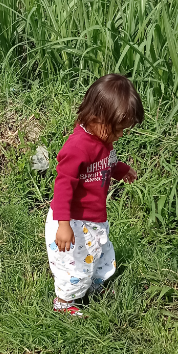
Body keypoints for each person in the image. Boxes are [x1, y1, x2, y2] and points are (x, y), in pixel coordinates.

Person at [46, 74, 144, 316]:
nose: (119, 136)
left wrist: (122, 170)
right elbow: (63, 186)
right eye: (117, 130)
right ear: (96, 117)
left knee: (100, 255)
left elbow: (106, 162)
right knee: (74, 266)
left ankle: (94, 286)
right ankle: (64, 301)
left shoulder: (103, 141)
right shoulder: (77, 147)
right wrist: (63, 224)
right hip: (73, 220)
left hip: (94, 219)